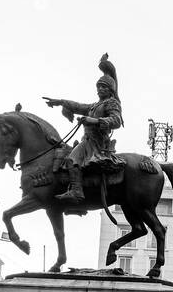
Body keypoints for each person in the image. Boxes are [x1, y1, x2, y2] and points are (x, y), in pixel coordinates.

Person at [42, 52, 124, 204]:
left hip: (97, 143)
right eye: (98, 87)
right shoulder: (94, 105)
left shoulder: (111, 103)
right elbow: (78, 106)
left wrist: (94, 120)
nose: (99, 90)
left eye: (103, 87)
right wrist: (60, 102)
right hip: (87, 141)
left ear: (110, 90)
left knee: (72, 159)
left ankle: (76, 191)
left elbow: (116, 120)